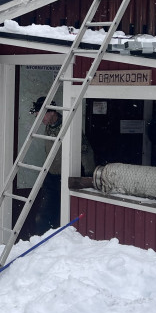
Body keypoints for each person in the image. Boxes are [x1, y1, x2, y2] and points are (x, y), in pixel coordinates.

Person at [29, 96, 95, 234]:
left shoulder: (68, 126)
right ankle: (41, 243)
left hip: (66, 177)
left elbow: (85, 150)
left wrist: (90, 175)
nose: (40, 119)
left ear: (52, 112)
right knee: (43, 217)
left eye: (42, 115)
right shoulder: (48, 125)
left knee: (65, 215)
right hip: (51, 177)